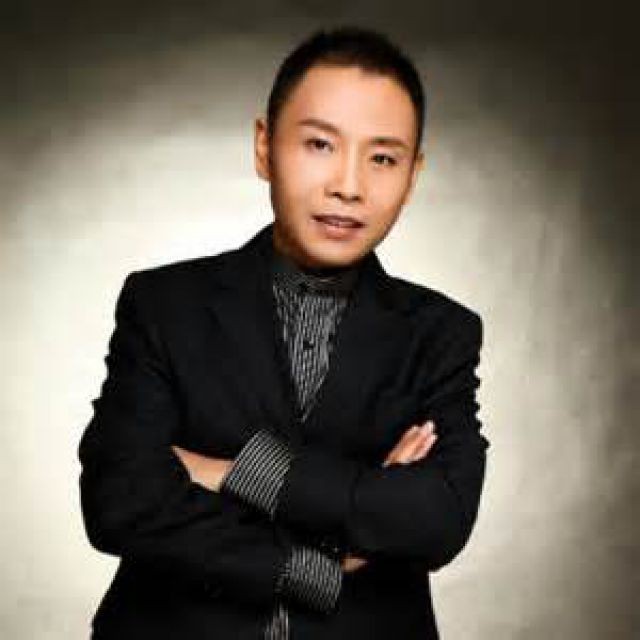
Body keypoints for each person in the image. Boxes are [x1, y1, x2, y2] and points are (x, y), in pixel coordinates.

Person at [78, 25, 490, 640]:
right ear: (264, 147)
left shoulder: (441, 333)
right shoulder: (164, 304)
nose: (349, 185)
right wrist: (316, 566)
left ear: (413, 175)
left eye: (382, 158)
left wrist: (234, 471)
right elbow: (118, 500)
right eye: (320, 144)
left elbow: (438, 521)